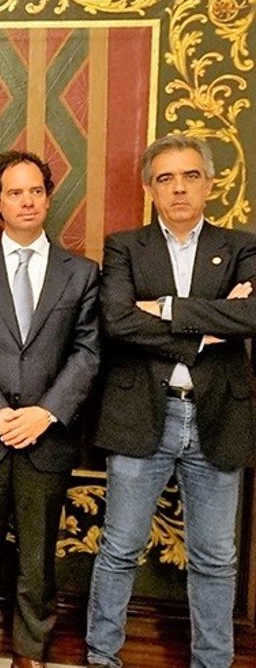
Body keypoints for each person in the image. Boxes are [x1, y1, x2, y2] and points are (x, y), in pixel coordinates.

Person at [86, 135, 256, 668]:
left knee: (216, 557)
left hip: (218, 416)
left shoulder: (242, 247)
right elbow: (117, 320)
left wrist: (163, 308)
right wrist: (207, 326)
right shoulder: (123, 247)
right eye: (165, 178)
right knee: (120, 548)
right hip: (141, 413)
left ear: (210, 184)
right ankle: (102, 657)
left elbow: (251, 317)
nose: (178, 188)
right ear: (149, 188)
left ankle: (213, 662)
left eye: (190, 176)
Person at [0, 151, 100, 668]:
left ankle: (31, 652)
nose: (27, 201)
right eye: (15, 192)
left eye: (36, 191)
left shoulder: (82, 273)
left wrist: (45, 413)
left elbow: (87, 352)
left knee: (38, 553)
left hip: (47, 435)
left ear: (48, 198)